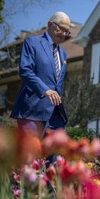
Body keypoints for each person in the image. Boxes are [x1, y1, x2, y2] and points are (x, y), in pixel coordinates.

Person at [11, 11, 71, 140]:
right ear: (50, 24)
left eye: (67, 31)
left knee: (57, 156)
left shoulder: (63, 54)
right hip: (32, 111)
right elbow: (25, 71)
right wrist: (45, 90)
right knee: (30, 157)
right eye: (61, 29)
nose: (64, 34)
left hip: (55, 115)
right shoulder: (32, 42)